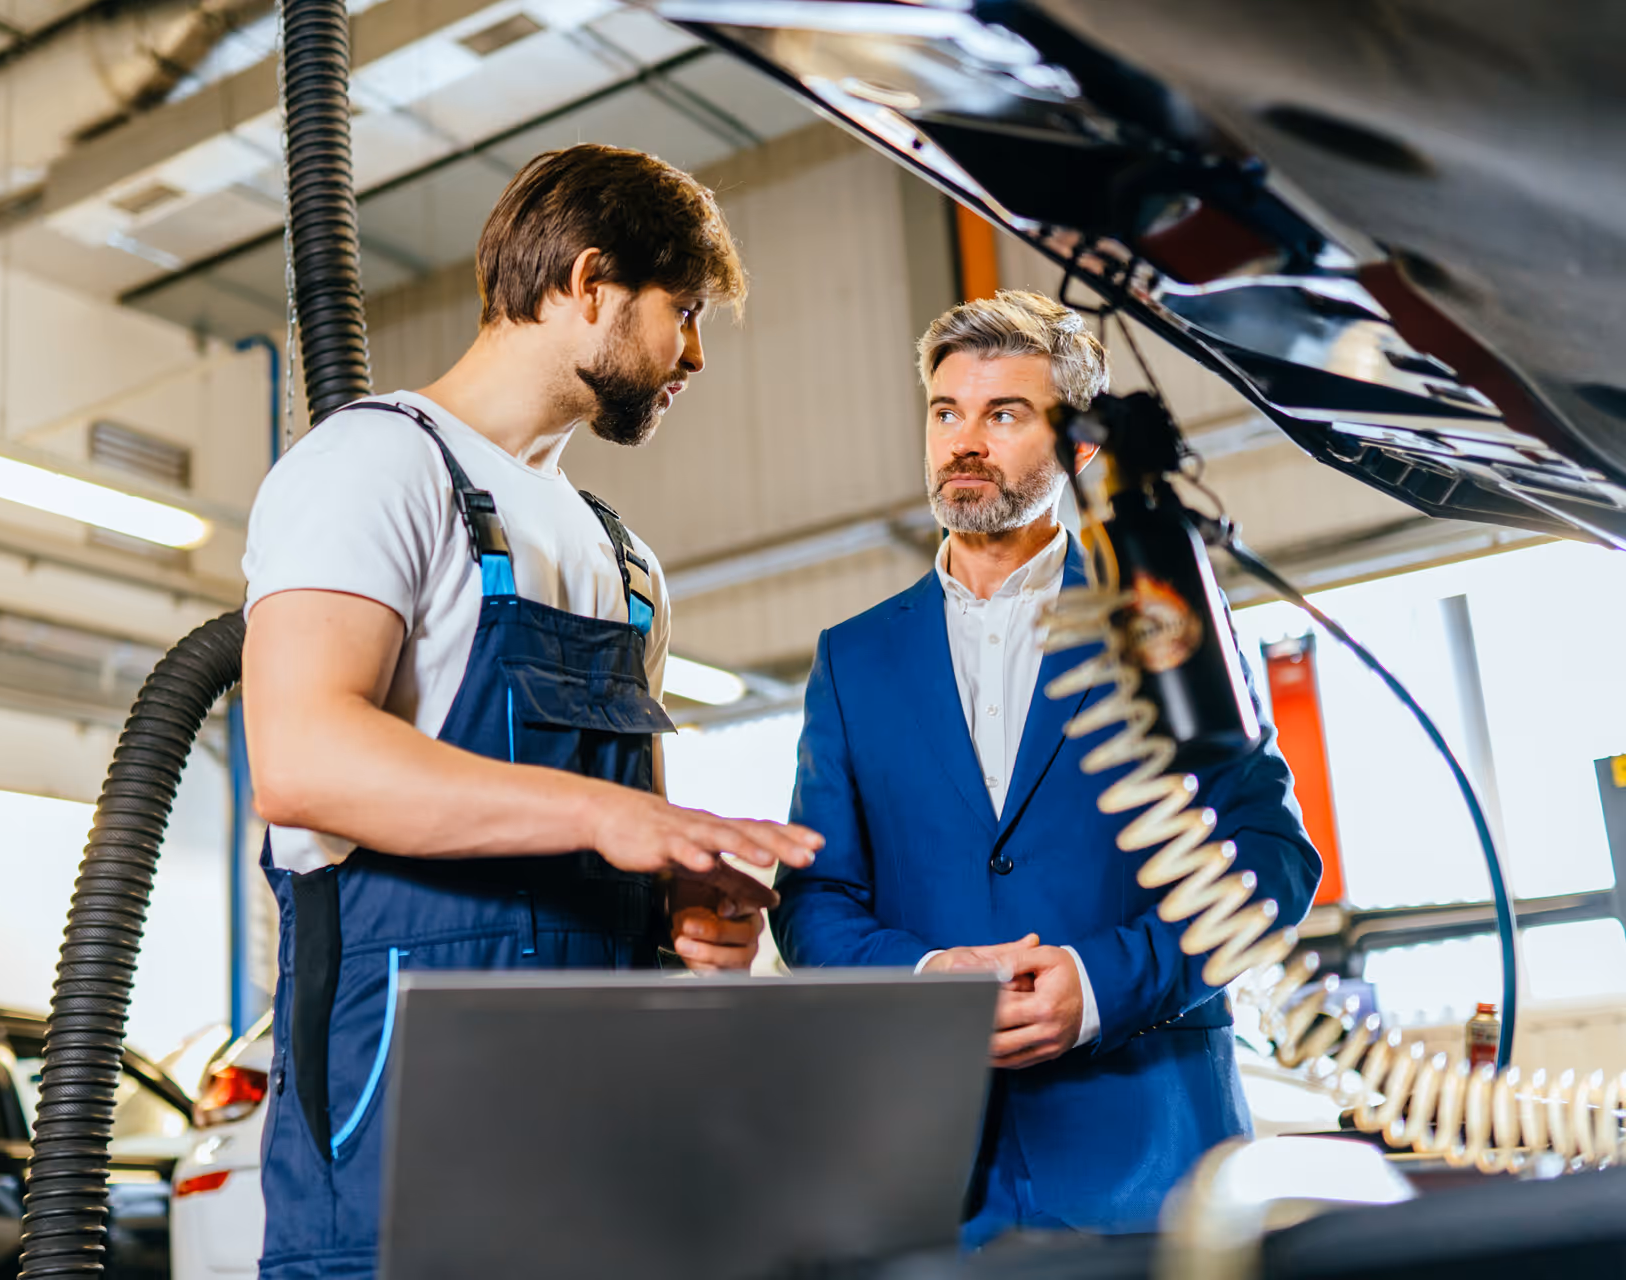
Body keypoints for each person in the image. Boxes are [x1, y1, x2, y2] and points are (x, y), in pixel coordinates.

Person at [240, 144, 822, 1280]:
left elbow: (631, 835)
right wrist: (605, 816)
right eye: (684, 311)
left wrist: (688, 908)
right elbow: (304, 758)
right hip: (397, 1147)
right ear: (591, 283)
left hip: (605, 1153)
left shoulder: (625, 556)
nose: (694, 354)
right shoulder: (367, 465)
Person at [770, 290, 1320, 1242]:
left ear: (1082, 448)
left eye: (1004, 414)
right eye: (946, 413)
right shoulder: (852, 659)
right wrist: (932, 975)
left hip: (1154, 1162)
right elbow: (814, 902)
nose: (963, 441)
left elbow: (1272, 856)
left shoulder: (1162, 616)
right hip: (933, 1173)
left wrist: (1098, 984)